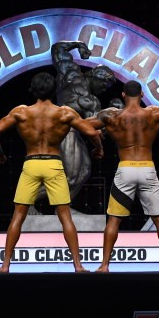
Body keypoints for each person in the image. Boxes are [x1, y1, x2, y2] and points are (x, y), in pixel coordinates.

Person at [0, 72, 104, 273]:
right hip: (53, 165)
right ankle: (78, 266)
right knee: (65, 217)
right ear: (54, 89)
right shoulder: (64, 113)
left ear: (33, 90)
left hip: (31, 165)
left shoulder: (21, 112)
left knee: (18, 216)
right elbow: (92, 132)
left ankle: (5, 266)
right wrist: (98, 149)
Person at [86, 80, 159, 272]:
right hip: (147, 169)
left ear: (123, 95)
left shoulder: (111, 115)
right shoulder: (154, 113)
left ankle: (104, 266)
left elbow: (83, 125)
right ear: (141, 94)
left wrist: (97, 144)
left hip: (125, 169)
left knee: (114, 220)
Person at [48, 40, 117, 204]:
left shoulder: (91, 100)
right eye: (104, 86)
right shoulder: (72, 75)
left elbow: (95, 130)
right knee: (71, 176)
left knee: (84, 172)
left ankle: (62, 208)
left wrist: (110, 118)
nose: (103, 90)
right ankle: (30, 203)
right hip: (64, 130)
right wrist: (80, 45)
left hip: (73, 132)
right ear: (96, 77)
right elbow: (57, 48)